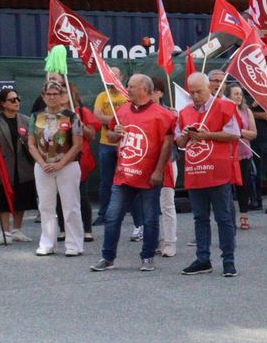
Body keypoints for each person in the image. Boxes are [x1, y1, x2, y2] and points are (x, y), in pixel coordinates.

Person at [92, 74, 174, 272]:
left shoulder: (162, 114)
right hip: (124, 175)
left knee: (150, 218)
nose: (127, 89)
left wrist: (158, 171)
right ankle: (107, 257)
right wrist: (115, 133)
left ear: (144, 90)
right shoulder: (122, 110)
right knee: (112, 216)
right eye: (128, 86)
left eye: (131, 86)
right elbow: (110, 135)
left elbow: (167, 144)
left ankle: (147, 257)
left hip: (148, 176)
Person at [175, 72, 240, 278]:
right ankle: (203, 259)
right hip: (195, 171)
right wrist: (185, 135)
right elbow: (179, 142)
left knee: (223, 218)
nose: (195, 96)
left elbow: (234, 134)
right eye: (192, 92)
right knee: (200, 218)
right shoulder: (184, 112)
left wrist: (207, 135)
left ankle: (228, 261)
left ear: (209, 88)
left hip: (218, 172)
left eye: (199, 92)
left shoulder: (224, 106)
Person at [26, 81, 85, 257]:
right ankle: (47, 243)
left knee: (71, 205)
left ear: (62, 96)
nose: (52, 97)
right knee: (45, 205)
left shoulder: (72, 116)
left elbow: (77, 144)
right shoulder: (35, 117)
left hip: (68, 166)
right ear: (43, 96)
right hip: (43, 166)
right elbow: (31, 144)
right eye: (48, 94)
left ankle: (74, 244)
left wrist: (61, 163)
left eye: (55, 94)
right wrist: (42, 163)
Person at [92, 83, 141, 237]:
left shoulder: (127, 98)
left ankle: (138, 221)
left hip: (126, 146)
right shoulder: (102, 96)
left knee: (131, 181)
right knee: (106, 182)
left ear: (120, 78)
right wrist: (117, 120)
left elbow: (133, 119)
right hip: (106, 144)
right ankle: (103, 214)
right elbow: (97, 116)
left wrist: (115, 120)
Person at [0, 88, 36, 245]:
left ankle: (17, 230)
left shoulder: (26, 120)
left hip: (23, 165)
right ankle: (5, 232)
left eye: (18, 99)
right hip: (4, 166)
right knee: (4, 198)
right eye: (12, 100)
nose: (17, 102)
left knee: (21, 197)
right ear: (3, 103)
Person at [224, 82, 258, 232]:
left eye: (240, 94)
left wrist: (239, 131)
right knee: (225, 187)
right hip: (227, 154)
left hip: (243, 154)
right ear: (228, 96)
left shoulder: (246, 111)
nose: (238, 97)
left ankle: (244, 215)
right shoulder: (223, 110)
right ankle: (227, 217)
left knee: (243, 186)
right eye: (235, 94)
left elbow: (254, 134)